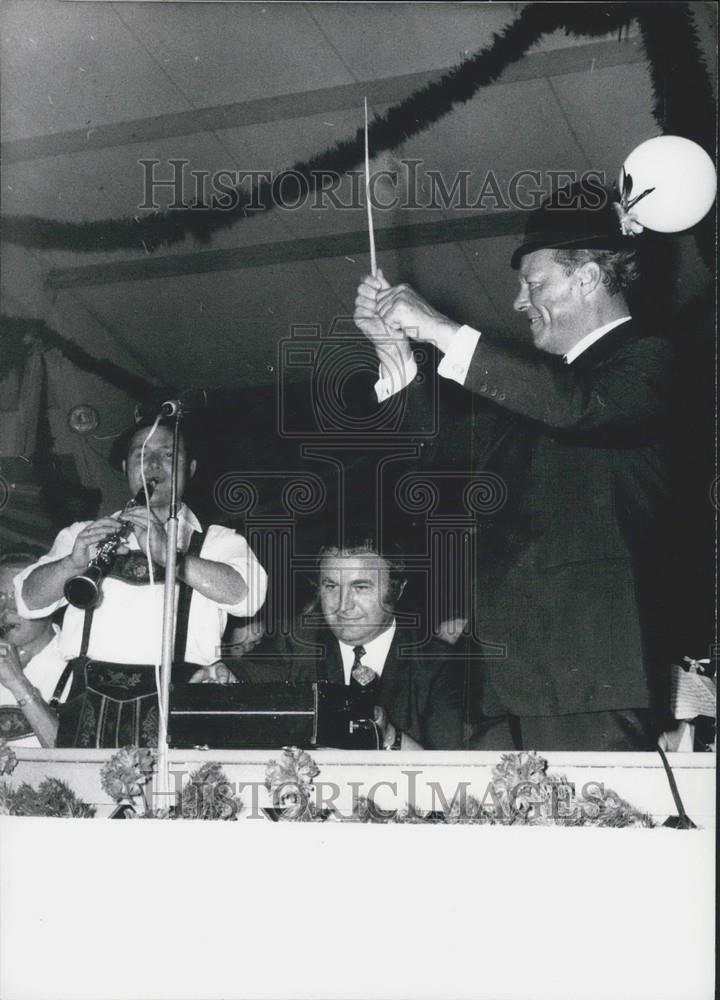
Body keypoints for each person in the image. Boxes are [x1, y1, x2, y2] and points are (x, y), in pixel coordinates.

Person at [354, 183, 673, 751]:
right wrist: (395, 356)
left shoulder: (649, 360)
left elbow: (577, 407)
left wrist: (441, 328)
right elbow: (443, 458)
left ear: (589, 277)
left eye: (534, 283)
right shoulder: (538, 394)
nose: (519, 302)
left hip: (588, 684)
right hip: (502, 685)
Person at [14, 415, 268, 747]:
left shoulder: (218, 541)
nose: (152, 465)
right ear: (125, 467)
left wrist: (173, 558)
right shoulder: (81, 534)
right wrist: (71, 564)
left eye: (167, 454)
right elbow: (27, 602)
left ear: (189, 468)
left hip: (181, 702)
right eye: (141, 454)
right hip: (89, 704)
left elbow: (248, 598)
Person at [238, 536, 465, 750]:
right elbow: (244, 676)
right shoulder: (295, 642)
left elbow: (455, 777)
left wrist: (388, 736)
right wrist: (225, 673)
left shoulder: (439, 663)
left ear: (397, 589)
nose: (342, 605)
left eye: (360, 587)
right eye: (331, 587)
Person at [0, 551, 66, 747]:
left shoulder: (79, 665)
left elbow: (72, 758)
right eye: (0, 596)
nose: (7, 608)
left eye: (19, 595)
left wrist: (17, 682)